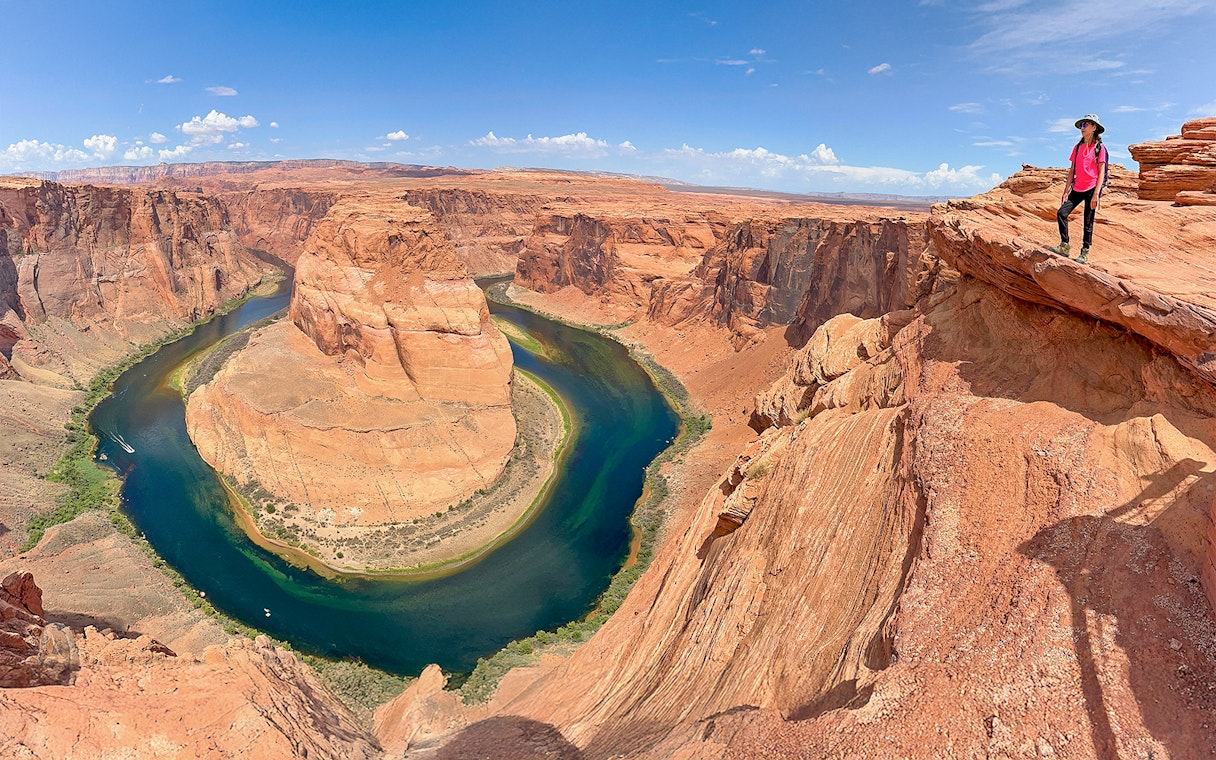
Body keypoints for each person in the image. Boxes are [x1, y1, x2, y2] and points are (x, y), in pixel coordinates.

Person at [1051, 114, 1108, 264]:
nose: (1082, 128)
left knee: (1088, 222)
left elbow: (1102, 171)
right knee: (1061, 213)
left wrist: (1096, 194)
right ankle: (1065, 245)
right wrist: (1065, 191)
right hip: (1077, 187)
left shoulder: (1100, 148)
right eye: (1081, 125)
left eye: (1085, 125)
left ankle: (1084, 252)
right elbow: (1072, 171)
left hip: (1091, 188)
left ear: (1094, 128)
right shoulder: (1077, 148)